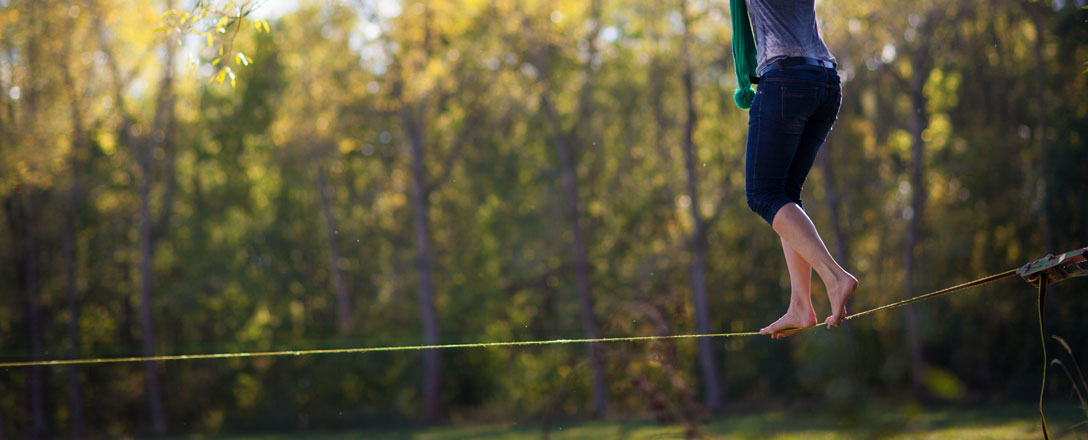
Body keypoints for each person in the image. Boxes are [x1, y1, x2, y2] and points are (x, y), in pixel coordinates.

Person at [729, 0, 858, 339]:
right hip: (825, 80)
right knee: (785, 194)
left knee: (762, 195)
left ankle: (834, 277)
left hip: (786, 78)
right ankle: (801, 305)